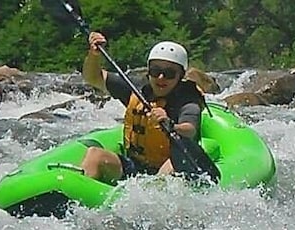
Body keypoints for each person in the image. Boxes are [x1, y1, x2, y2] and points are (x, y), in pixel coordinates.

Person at [77, 31, 208, 183]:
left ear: (181, 76)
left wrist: (170, 124)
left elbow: (190, 129)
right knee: (94, 154)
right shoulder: (137, 89)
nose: (161, 78)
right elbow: (93, 77)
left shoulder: (187, 99)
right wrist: (94, 55)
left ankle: (152, 196)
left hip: (172, 164)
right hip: (134, 165)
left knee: (170, 166)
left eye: (169, 73)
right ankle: (75, 198)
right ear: (148, 71)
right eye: (156, 71)